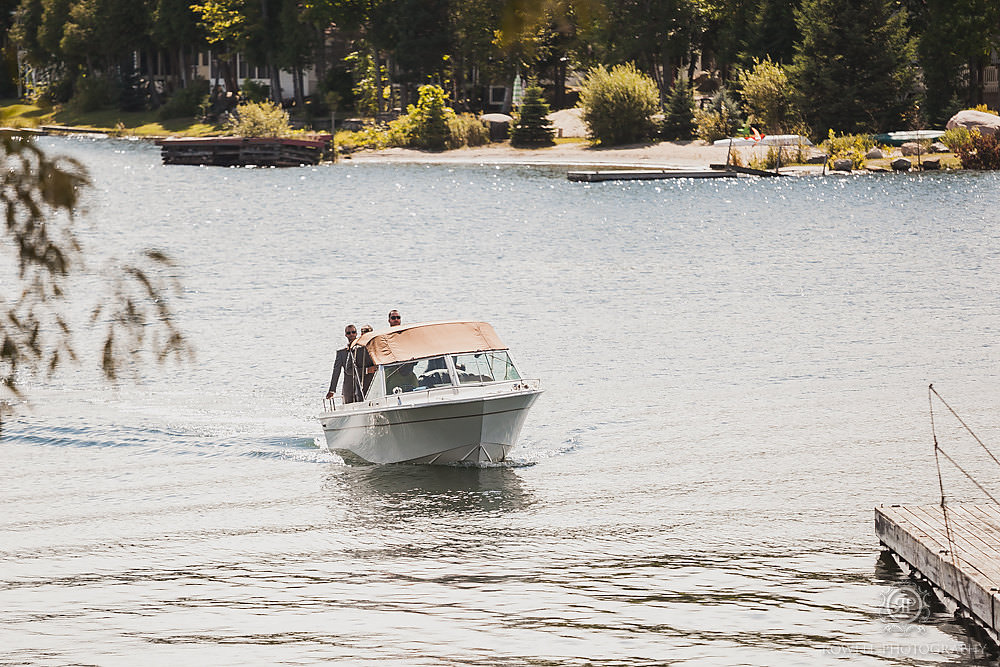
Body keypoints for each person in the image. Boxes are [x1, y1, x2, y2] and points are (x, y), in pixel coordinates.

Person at [325, 324, 358, 403]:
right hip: (348, 386)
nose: (351, 334)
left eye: (353, 332)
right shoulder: (341, 353)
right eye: (349, 333)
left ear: (356, 333)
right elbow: (336, 371)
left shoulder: (363, 349)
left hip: (365, 385)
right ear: (345, 335)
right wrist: (332, 390)